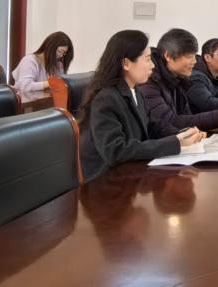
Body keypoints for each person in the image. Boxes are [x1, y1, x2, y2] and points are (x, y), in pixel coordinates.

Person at [78, 30, 206, 181]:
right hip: (105, 182)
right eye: (147, 59)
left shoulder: (135, 90)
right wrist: (175, 143)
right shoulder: (105, 98)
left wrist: (182, 133)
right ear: (126, 64)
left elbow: (151, 125)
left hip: (129, 175)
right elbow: (115, 151)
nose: (152, 65)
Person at [140, 28, 218, 132]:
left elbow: (186, 117)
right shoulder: (148, 82)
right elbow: (169, 122)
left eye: (194, 56)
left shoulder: (178, 77)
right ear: (168, 56)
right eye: (189, 57)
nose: (194, 61)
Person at [10, 31, 73, 103]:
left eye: (64, 53)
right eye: (60, 51)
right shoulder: (29, 60)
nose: (61, 56)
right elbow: (25, 87)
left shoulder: (58, 64)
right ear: (49, 47)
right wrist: (49, 83)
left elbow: (59, 84)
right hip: (26, 105)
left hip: (45, 103)